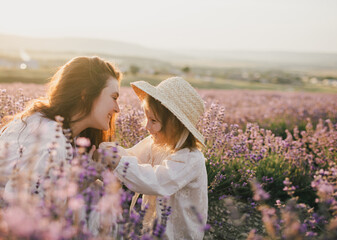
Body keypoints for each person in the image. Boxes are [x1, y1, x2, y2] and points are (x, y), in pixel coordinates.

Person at [100, 77, 208, 240]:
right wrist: (109, 151)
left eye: (153, 121)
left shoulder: (191, 159)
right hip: (153, 231)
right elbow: (131, 156)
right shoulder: (155, 144)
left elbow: (157, 182)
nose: (146, 126)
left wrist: (117, 162)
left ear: (174, 124)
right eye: (146, 118)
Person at [0, 56, 121, 197]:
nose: (117, 109)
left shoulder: (56, 130)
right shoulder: (51, 141)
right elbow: (24, 210)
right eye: (114, 97)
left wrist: (84, 180)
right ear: (86, 95)